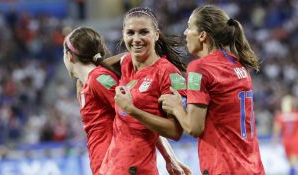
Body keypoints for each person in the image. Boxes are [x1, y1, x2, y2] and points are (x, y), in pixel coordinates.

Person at [63, 27, 191, 174]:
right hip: (105, 166)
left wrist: (170, 158)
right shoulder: (85, 83)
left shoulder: (98, 79)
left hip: (120, 165)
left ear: (69, 56)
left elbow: (137, 119)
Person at [158, 5, 265, 174]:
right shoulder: (237, 64)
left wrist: (176, 107)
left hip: (224, 167)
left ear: (202, 35)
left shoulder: (199, 68)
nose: (185, 33)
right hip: (253, 167)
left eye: (189, 27)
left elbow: (194, 127)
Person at [99, 7, 189, 175]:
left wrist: (131, 110)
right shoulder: (126, 62)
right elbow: (98, 70)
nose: (136, 38)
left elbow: (175, 131)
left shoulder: (167, 73)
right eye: (130, 33)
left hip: (137, 169)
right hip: (111, 167)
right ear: (123, 35)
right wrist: (169, 157)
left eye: (143, 32)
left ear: (156, 34)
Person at [272, 95, 298, 175]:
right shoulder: (295, 114)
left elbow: (276, 130)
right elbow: (276, 130)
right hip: (289, 141)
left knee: (292, 161)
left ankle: (292, 171)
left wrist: (274, 141)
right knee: (291, 161)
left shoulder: (280, 116)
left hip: (291, 140)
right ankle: (292, 171)